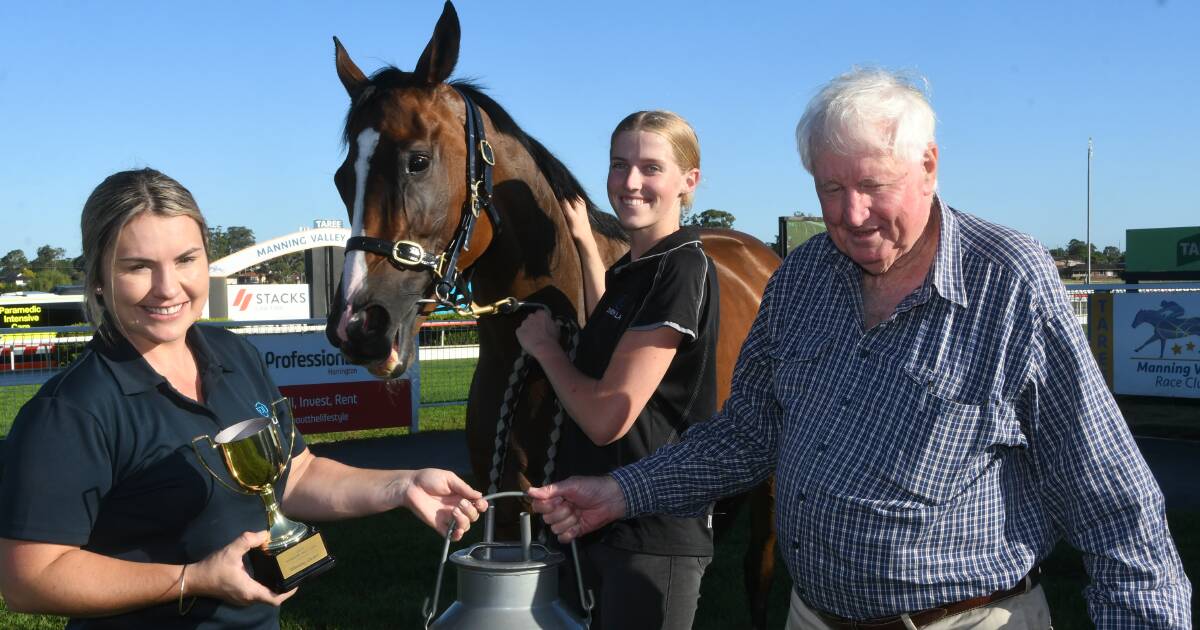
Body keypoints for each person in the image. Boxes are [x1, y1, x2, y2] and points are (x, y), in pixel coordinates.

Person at [530, 70, 1192, 629]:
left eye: (873, 185)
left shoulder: (1007, 279)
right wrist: (621, 490)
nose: (848, 215)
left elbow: (1114, 505)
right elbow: (744, 436)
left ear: (928, 164)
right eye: (829, 189)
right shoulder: (802, 276)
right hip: (813, 616)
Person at [0, 168, 489, 628]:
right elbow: (29, 578)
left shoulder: (233, 353)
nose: (168, 288)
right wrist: (194, 579)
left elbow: (296, 475)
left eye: (185, 260)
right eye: (138, 267)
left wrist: (402, 486)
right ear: (100, 279)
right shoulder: (70, 411)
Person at [515, 110, 719, 630]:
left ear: (688, 182)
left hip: (650, 538)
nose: (630, 182)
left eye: (651, 168)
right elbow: (608, 332)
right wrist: (586, 245)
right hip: (597, 520)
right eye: (618, 164)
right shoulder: (635, 270)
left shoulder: (681, 267)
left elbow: (608, 416)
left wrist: (547, 352)